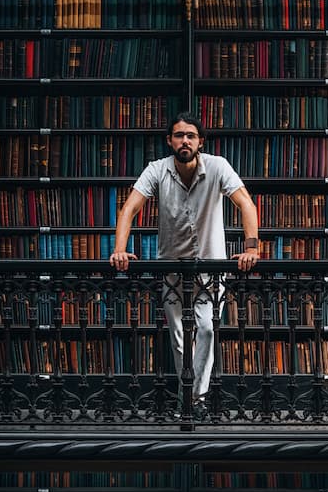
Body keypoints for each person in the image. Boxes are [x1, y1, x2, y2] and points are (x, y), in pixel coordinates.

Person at [109, 112, 259, 418]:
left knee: (206, 330)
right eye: (179, 135)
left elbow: (245, 203)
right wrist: (120, 250)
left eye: (191, 135)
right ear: (170, 141)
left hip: (210, 271)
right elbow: (129, 208)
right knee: (179, 339)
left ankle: (193, 401)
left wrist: (251, 248)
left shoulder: (218, 166)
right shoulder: (156, 170)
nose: (185, 141)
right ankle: (191, 401)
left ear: (200, 141)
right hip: (173, 271)